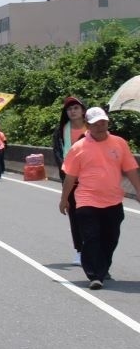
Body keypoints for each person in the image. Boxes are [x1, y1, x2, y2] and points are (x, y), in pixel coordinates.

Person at [59, 107, 140, 289]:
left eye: (103, 122)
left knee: (111, 238)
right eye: (96, 123)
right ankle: (95, 275)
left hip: (113, 200)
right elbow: (70, 177)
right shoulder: (78, 148)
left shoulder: (119, 143)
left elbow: (130, 169)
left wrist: (138, 190)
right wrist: (64, 200)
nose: (100, 126)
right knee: (91, 237)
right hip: (87, 200)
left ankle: (102, 267)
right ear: (88, 125)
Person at [52, 96, 89, 265]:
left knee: (93, 216)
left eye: (76, 108)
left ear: (83, 110)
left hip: (91, 179)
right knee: (74, 214)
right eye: (69, 109)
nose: (72, 111)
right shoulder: (61, 132)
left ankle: (94, 248)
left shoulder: (93, 129)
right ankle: (80, 250)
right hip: (71, 179)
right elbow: (59, 156)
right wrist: (66, 176)